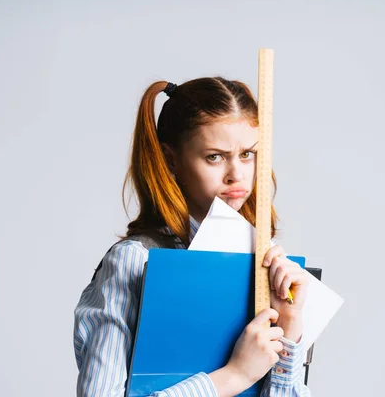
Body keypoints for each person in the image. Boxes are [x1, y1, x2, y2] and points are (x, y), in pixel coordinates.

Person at [73, 77, 311, 397]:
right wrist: (234, 376)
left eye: (247, 154)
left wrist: (289, 325)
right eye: (214, 156)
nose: (236, 174)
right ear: (172, 160)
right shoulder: (137, 260)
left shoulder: (264, 266)